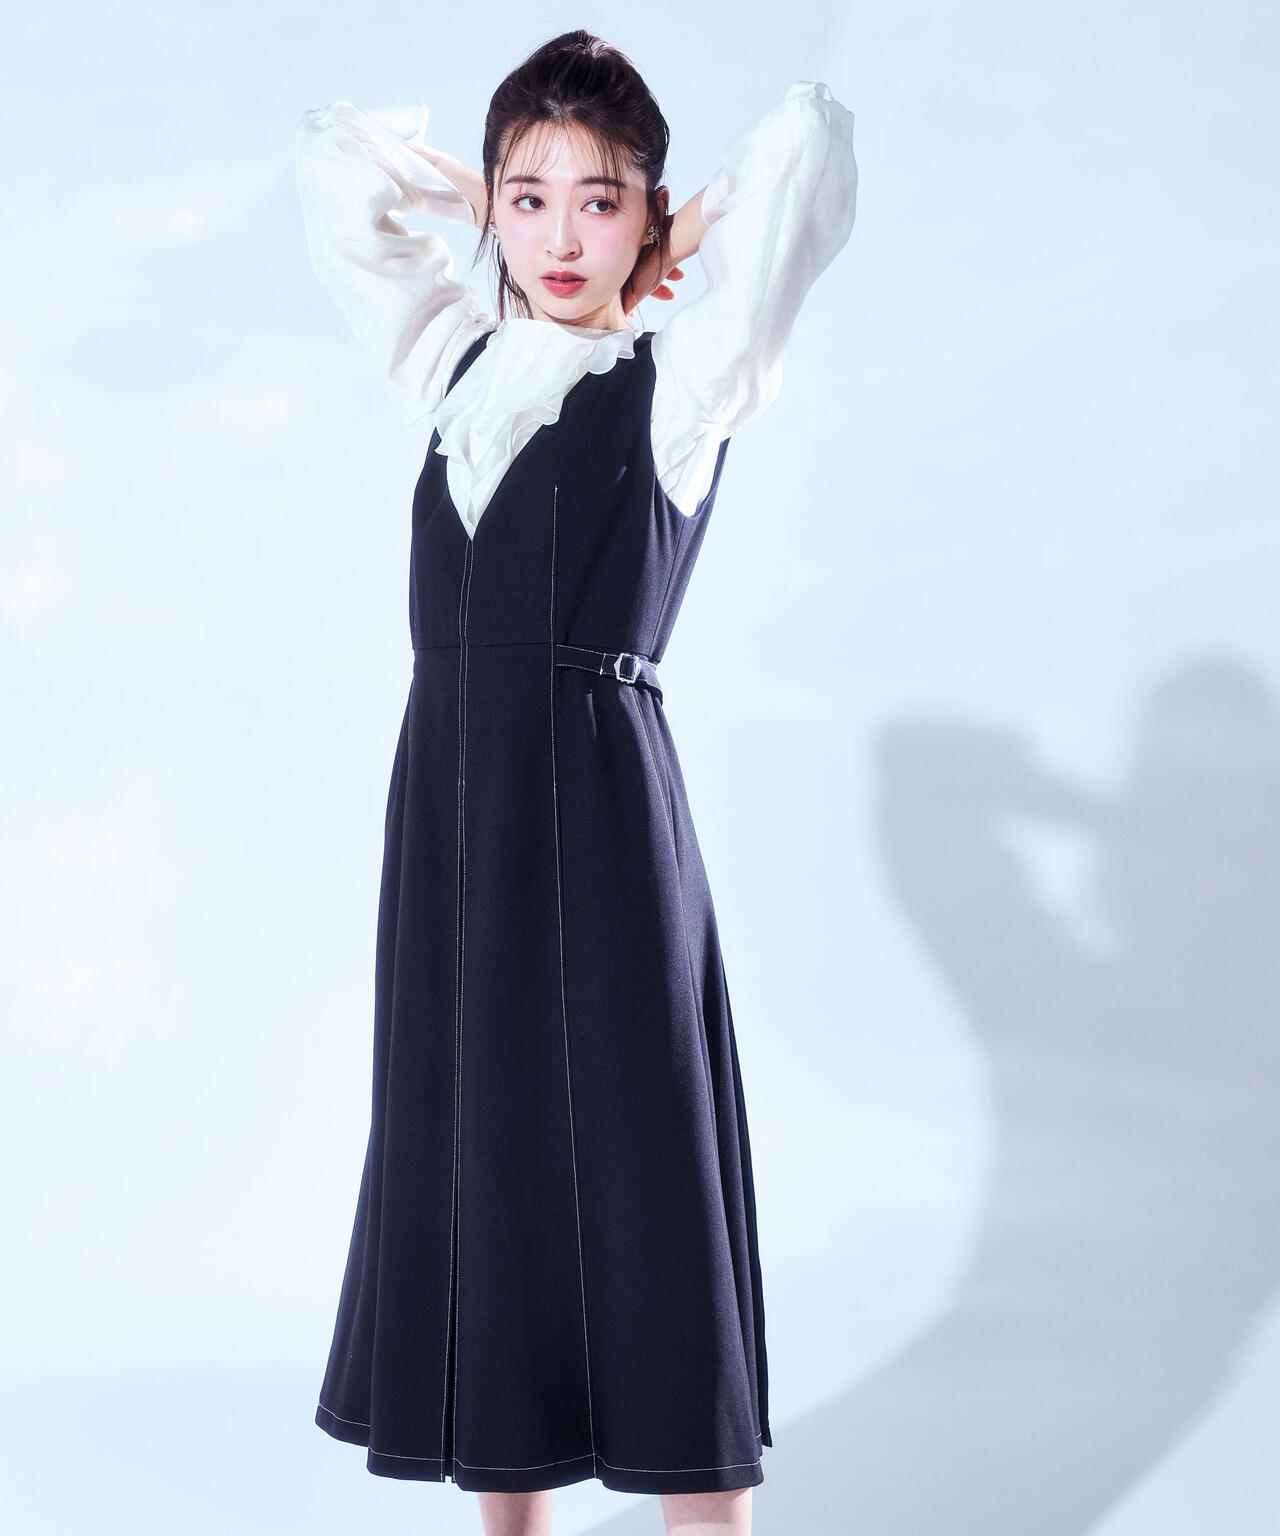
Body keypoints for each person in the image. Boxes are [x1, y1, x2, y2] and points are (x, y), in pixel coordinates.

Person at [294, 28, 857, 1536]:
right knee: (485, 1166)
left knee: (644, 1176)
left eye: (599, 201)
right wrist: (464, 184)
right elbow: (331, 162)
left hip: (603, 826)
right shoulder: (450, 364)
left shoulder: (681, 388)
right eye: (528, 199)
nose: (560, 237)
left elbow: (809, 144)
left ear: (646, 214)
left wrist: (691, 226)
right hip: (451, 825)